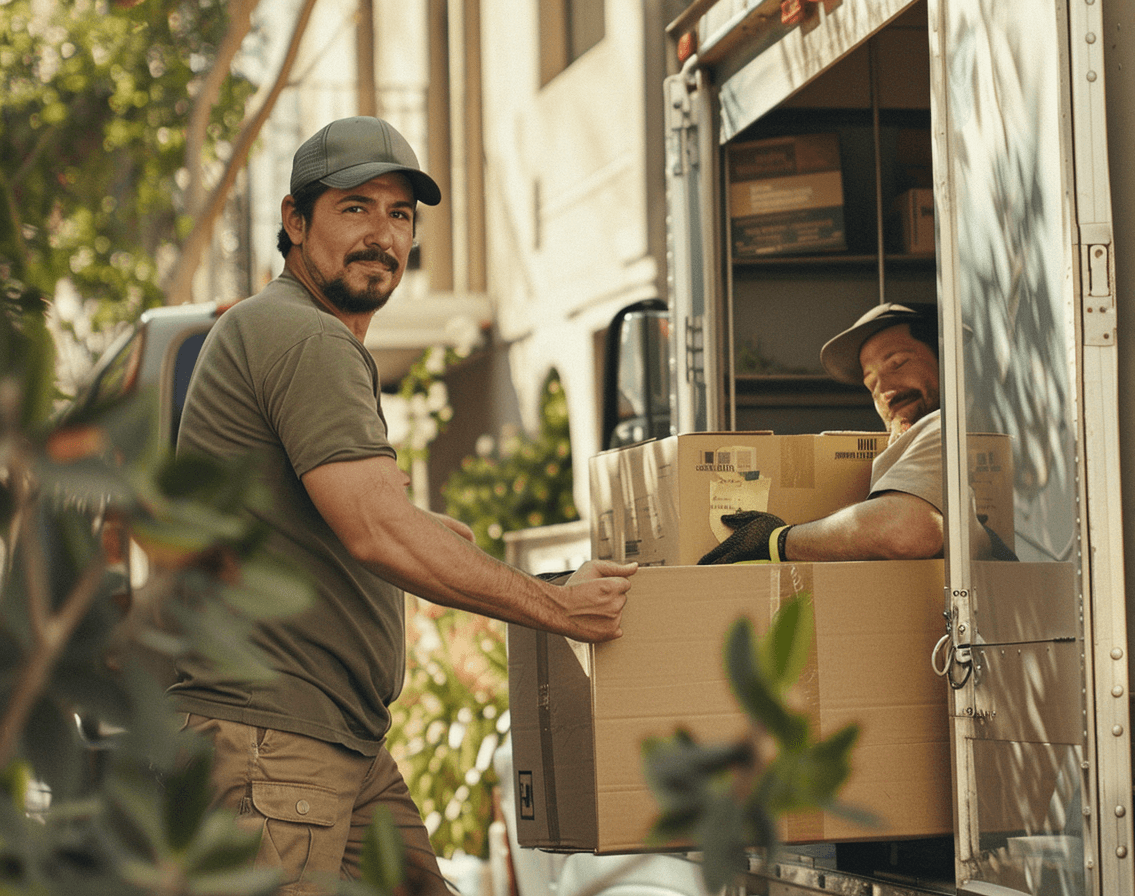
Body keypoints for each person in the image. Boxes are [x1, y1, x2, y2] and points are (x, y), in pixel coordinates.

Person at [171, 116, 636, 895]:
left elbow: (348, 517)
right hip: (274, 742)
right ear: (294, 221)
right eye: (355, 208)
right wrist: (562, 607)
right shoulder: (306, 338)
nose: (381, 234)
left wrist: (418, 529)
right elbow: (377, 530)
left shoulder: (293, 334)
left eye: (399, 214)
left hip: (333, 740)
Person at [699, 303, 1011, 564]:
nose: (884, 391)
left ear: (948, 359)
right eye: (870, 383)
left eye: (898, 363)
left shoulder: (947, 425)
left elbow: (906, 530)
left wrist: (778, 541)